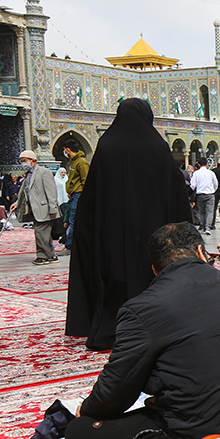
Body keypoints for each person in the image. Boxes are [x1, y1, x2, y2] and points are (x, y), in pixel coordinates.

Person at [65, 222, 220, 439]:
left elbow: (116, 391)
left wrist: (87, 410)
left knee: (81, 434)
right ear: (201, 252)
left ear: (155, 270)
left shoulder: (143, 308)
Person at [65, 98, 193, 351]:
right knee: (151, 278)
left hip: (110, 233)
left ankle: (112, 329)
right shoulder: (157, 145)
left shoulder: (107, 144)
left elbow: (91, 195)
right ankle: (155, 329)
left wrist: (87, 230)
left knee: (114, 276)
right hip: (154, 234)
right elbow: (176, 193)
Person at [9, 149, 61, 265]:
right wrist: (17, 203)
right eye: (21, 161)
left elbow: (51, 191)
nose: (23, 163)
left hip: (45, 209)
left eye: (25, 160)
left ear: (33, 160)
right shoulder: (28, 175)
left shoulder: (44, 172)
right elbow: (24, 192)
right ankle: (51, 255)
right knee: (44, 234)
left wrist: (53, 208)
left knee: (40, 233)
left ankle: (43, 256)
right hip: (35, 209)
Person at [63, 142, 88, 252]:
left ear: (68, 149)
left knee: (73, 220)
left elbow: (85, 181)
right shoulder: (71, 162)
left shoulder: (82, 163)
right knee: (71, 219)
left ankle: (69, 246)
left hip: (79, 194)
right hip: (73, 195)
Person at [189, 158, 218, 233]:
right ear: (207, 164)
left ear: (198, 164)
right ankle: (207, 227)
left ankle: (203, 225)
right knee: (209, 211)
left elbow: (193, 185)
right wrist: (213, 190)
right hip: (210, 194)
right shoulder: (211, 173)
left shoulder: (196, 173)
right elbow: (216, 184)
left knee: (201, 212)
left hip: (200, 195)